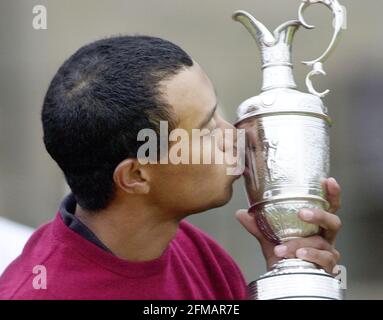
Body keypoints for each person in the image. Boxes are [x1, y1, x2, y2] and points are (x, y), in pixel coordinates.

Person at [0, 36, 342, 299]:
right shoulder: (42, 291)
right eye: (207, 129)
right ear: (135, 176)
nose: (234, 136)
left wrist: (290, 274)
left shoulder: (198, 254)